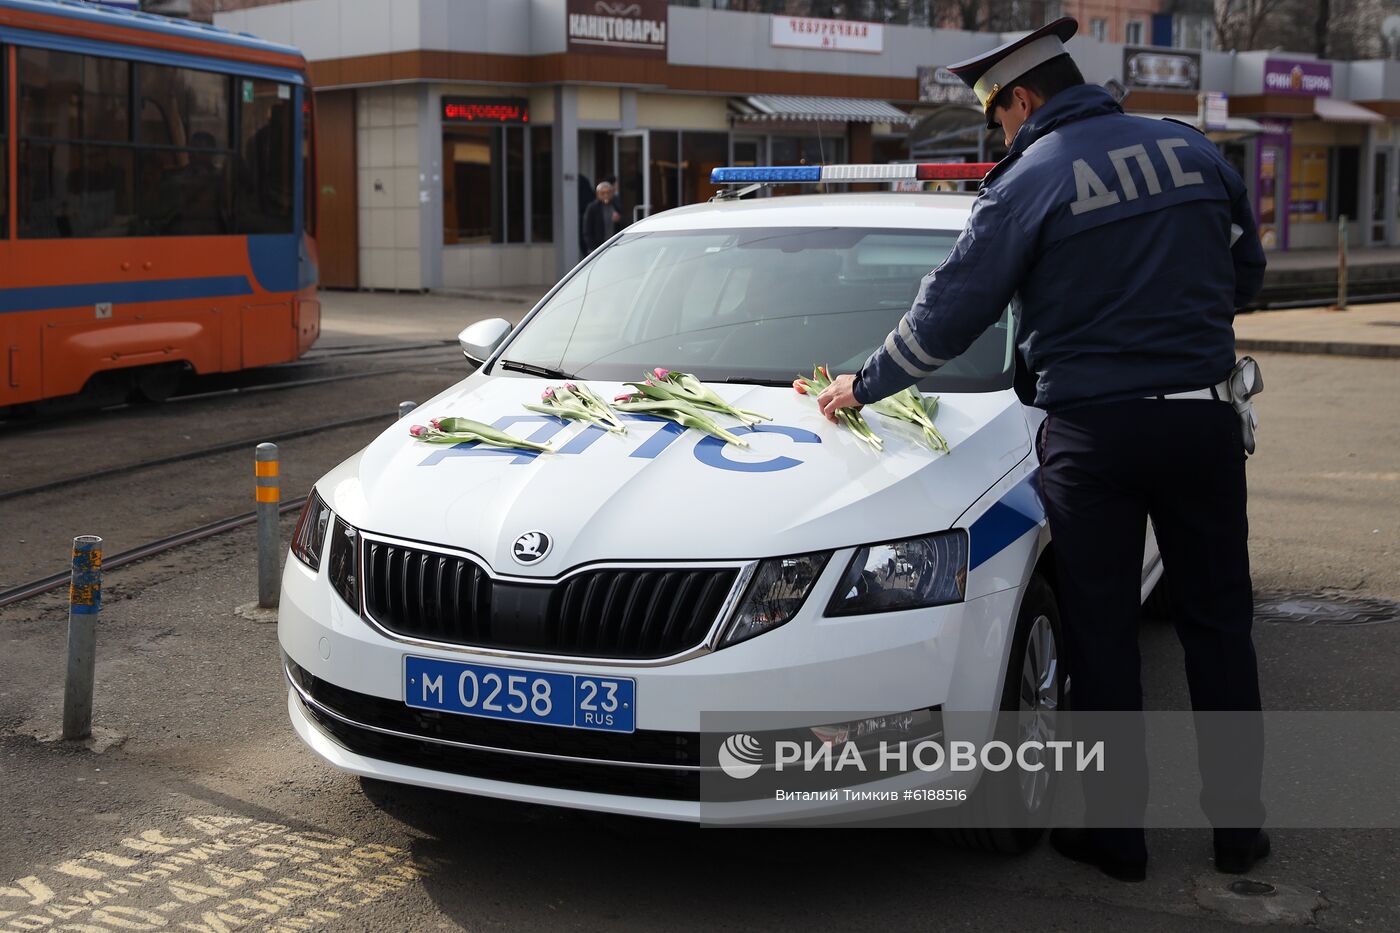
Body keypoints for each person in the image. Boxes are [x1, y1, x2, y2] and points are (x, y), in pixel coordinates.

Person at [814, 17, 1269, 882]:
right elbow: (1248, 272)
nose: (1001, 132)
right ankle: (1240, 831)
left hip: (1097, 435)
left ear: (1021, 99)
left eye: (998, 117)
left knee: (1103, 634)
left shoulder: (1030, 180)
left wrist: (863, 384)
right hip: (1204, 420)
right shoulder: (1193, 151)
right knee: (1219, 626)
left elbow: (951, 311)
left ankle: (1118, 839)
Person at [581, 180, 621, 255]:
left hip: (614, 244)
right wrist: (591, 247)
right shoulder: (592, 207)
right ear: (598, 194)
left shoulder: (616, 205)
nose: (606, 195)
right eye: (603, 193)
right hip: (598, 247)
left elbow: (624, 224)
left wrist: (619, 220)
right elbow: (587, 229)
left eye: (608, 193)